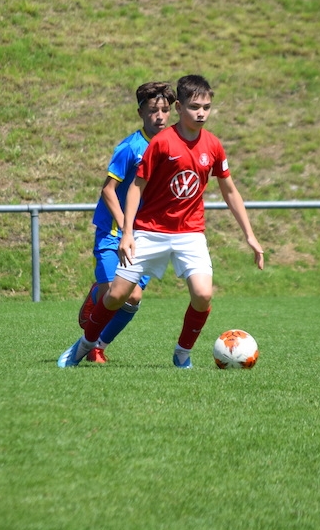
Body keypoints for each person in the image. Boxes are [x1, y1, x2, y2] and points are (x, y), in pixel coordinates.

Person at [59, 74, 265, 368]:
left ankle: (182, 354)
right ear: (181, 107)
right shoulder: (159, 144)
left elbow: (230, 190)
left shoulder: (214, 146)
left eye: (207, 107)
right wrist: (127, 231)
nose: (202, 112)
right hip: (149, 230)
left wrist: (250, 235)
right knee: (117, 295)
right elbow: (133, 188)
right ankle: (84, 345)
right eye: (195, 106)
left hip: (190, 232)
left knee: (203, 295)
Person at [76, 81, 177, 363]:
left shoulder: (172, 147)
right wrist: (124, 228)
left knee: (133, 298)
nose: (160, 116)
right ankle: (99, 293)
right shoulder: (130, 148)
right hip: (114, 232)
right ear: (140, 113)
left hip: (147, 234)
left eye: (165, 110)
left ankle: (98, 347)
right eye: (153, 110)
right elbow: (108, 190)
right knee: (115, 295)